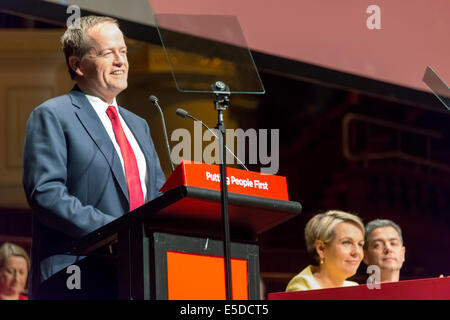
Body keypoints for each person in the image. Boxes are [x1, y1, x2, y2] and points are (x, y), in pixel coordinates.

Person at [22, 16, 166, 299]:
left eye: (123, 52)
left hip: (143, 275)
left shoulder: (139, 125)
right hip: (78, 276)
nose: (120, 61)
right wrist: (116, 231)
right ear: (77, 65)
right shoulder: (53, 115)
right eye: (107, 53)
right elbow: (46, 193)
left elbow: (158, 197)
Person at [285, 210, 365, 291]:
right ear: (321, 249)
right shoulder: (302, 287)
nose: (357, 252)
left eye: (360, 244)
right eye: (346, 242)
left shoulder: (353, 287)